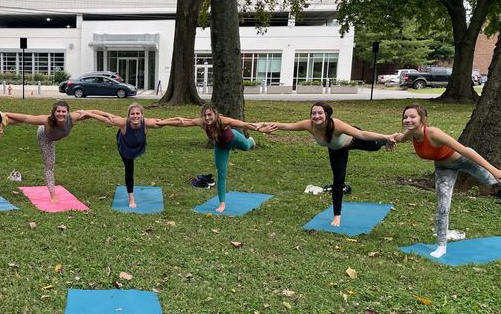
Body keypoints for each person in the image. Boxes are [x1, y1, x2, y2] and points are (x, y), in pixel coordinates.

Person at [390, 103, 501, 258]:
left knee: (491, 180)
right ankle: (441, 246)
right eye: (405, 117)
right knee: (443, 204)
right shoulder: (411, 134)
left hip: (464, 160)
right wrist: (391, 140)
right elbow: (401, 138)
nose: (408, 120)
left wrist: (494, 170)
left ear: (423, 119)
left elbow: (465, 150)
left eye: (412, 116)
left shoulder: (433, 133)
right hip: (443, 168)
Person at [264, 102, 394, 226]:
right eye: (313, 113)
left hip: (354, 140)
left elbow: (361, 134)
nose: (316, 116)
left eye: (320, 113)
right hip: (336, 149)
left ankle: (385, 141)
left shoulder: (336, 124)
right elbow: (287, 126)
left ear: (326, 114)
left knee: (376, 146)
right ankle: (337, 216)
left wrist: (386, 136)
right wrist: (265, 125)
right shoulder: (309, 125)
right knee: (338, 180)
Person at [161, 103, 263, 213]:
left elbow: (243, 124)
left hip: (234, 139)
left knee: (246, 147)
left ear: (215, 114)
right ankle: (222, 203)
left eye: (209, 114)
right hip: (221, 146)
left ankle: (251, 141)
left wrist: (258, 127)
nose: (207, 118)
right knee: (221, 173)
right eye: (204, 115)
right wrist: (164, 122)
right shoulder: (202, 123)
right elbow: (183, 123)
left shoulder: (223, 121)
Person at [80, 103, 177, 208]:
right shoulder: (123, 122)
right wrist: (88, 114)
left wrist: (178, 119)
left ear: (142, 115)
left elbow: (163, 123)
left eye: (137, 113)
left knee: (110, 115)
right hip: (125, 144)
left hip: (137, 143)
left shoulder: (147, 122)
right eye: (132, 114)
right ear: (128, 116)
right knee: (129, 168)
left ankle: (90, 111)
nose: (135, 116)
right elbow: (104, 120)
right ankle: (131, 198)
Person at [5, 101, 92, 202]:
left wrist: (107, 116)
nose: (61, 114)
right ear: (53, 112)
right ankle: (53, 195)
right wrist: (6, 114)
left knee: (88, 115)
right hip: (45, 137)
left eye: (64, 111)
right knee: (49, 166)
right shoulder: (46, 120)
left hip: (54, 135)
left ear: (68, 113)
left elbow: (91, 113)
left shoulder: (72, 117)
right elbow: (26, 118)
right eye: (58, 111)